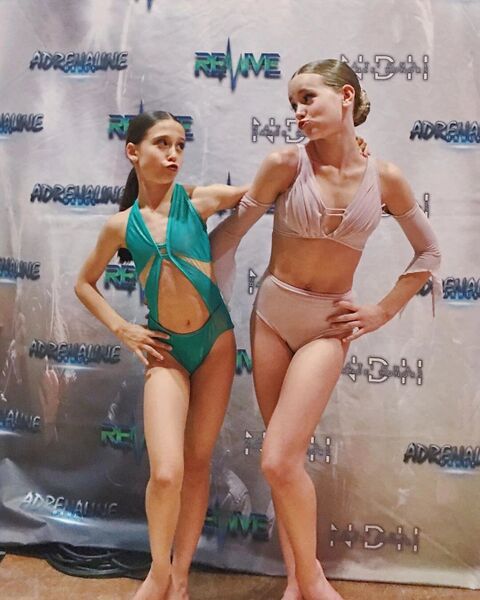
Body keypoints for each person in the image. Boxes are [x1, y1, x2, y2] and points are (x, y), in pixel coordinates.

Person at [210, 58, 441, 600]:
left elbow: (429, 252)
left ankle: (312, 580)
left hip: (327, 326)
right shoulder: (283, 163)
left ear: (346, 96)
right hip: (272, 317)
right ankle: (298, 581)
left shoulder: (386, 178)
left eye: (308, 98)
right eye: (292, 103)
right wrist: (170, 246)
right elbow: (230, 236)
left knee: (277, 458)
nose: (298, 111)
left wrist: (381, 311)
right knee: (284, 464)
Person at [74, 110, 249, 600]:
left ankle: (181, 575)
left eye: (180, 145)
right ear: (133, 152)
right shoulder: (120, 226)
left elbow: (269, 187)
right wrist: (123, 328)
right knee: (167, 471)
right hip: (165, 349)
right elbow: (83, 283)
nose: (174, 154)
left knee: (197, 462)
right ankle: (158, 572)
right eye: (162, 144)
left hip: (215, 343)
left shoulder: (200, 201)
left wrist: (344, 147)